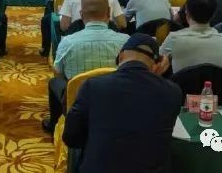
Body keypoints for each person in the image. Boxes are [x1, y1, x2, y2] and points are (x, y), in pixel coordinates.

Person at [63, 34, 180, 173]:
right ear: (156, 65)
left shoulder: (94, 86)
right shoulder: (173, 92)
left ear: (120, 56)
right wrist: (156, 76)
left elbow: (71, 138)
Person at [42, 0, 128, 133]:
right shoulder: (126, 42)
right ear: (108, 12)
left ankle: (55, 124)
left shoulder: (68, 42)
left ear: (81, 14)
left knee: (54, 82)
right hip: (116, 102)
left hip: (78, 105)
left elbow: (58, 73)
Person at [160, 0, 222, 73]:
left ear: (186, 13)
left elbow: (157, 61)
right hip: (218, 81)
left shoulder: (173, 38)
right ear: (213, 15)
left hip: (183, 81)